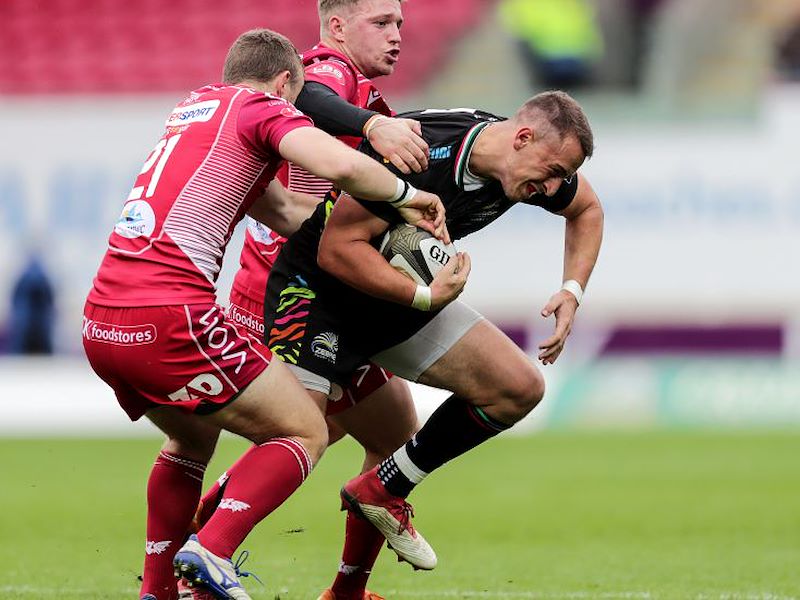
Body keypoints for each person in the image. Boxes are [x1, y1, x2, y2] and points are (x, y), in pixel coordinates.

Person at [81, 28, 446, 600]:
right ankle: (212, 550)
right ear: (285, 85)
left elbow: (286, 210)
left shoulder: (195, 109)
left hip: (103, 318)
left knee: (191, 442)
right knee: (303, 428)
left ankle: (159, 592)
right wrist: (407, 197)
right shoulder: (260, 107)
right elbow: (341, 166)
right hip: (171, 312)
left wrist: (363, 238)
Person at [264, 91, 603, 570]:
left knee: (518, 389)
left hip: (393, 302)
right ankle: (204, 543)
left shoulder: (519, 168)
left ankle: (381, 494)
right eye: (552, 173)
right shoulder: (418, 152)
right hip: (322, 298)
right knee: (297, 441)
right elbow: (335, 250)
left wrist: (572, 289)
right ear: (523, 138)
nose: (552, 190)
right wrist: (423, 297)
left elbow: (587, 209)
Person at [191, 2, 431, 599]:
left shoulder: (365, 96)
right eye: (382, 22)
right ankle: (210, 544)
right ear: (337, 27)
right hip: (290, 297)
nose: (397, 36)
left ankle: (335, 583)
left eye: (400, 23)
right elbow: (303, 99)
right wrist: (374, 130)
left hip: (321, 296)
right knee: (306, 435)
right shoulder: (327, 72)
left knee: (392, 435)